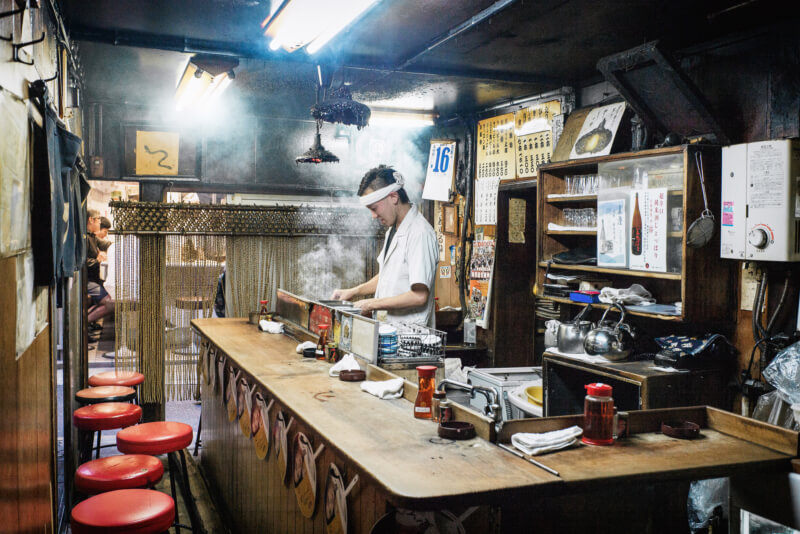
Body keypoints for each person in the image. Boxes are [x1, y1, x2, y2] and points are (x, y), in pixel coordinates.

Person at [332, 165, 438, 327]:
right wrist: (354, 292)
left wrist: (371, 304)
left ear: (393, 197)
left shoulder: (419, 233)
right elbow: (387, 277)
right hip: (390, 331)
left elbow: (419, 296)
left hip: (411, 338)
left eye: (374, 209)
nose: (373, 216)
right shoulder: (393, 231)